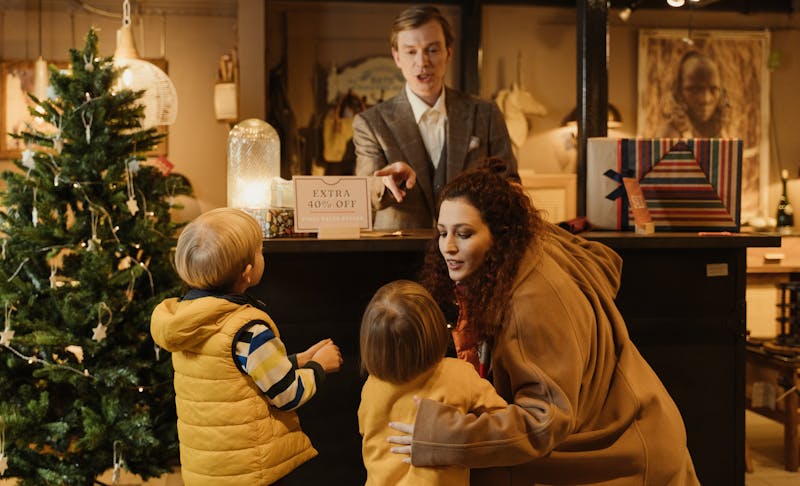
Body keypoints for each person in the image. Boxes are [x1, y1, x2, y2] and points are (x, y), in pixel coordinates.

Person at [387, 158, 699, 485]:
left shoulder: (530, 303)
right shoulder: (528, 244)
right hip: (635, 425)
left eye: (464, 234)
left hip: (621, 454)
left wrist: (444, 437)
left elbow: (545, 420)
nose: (448, 247)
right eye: (442, 232)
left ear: (500, 233)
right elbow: (599, 258)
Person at [150, 208, 343, 485]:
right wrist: (318, 367)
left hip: (207, 468)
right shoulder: (248, 329)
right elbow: (286, 394)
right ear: (248, 272)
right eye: (259, 250)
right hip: (249, 470)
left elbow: (235, 373)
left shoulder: (187, 319)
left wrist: (298, 360)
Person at [352, 5, 518, 230]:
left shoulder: (486, 114)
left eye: (432, 50)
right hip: (398, 255)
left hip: (471, 253)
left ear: (449, 52)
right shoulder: (371, 123)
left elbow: (509, 186)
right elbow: (365, 192)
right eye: (411, 51)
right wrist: (385, 183)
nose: (422, 62)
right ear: (397, 57)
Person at [357, 279, 507, 485]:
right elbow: (504, 421)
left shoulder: (371, 387)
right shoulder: (458, 374)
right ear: (435, 328)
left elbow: (366, 433)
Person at [659, 50, 730, 138]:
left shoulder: (718, 131)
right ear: (678, 92)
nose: (705, 99)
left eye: (713, 90)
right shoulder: (671, 135)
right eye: (695, 90)